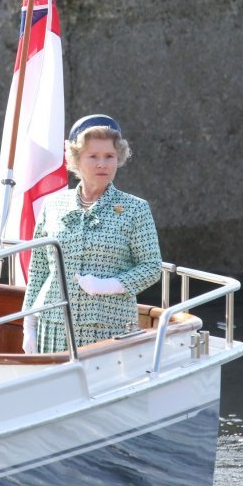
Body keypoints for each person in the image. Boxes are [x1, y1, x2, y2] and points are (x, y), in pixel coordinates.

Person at [22, 114, 162, 353]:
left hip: (110, 328)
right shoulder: (54, 205)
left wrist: (110, 285)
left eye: (109, 156)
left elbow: (151, 267)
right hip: (53, 323)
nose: (102, 164)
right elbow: (39, 270)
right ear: (76, 159)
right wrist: (29, 324)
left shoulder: (135, 208)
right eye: (93, 156)